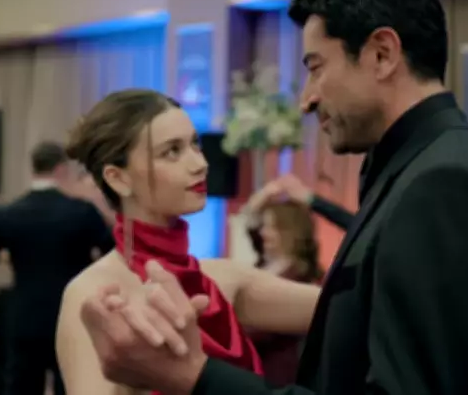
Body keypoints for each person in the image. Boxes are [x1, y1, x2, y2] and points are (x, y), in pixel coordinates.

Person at [79, 0, 468, 395]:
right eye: (171, 151)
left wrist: (194, 377)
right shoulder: (422, 172)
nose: (307, 99)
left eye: (316, 68)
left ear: (382, 54)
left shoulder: (444, 185)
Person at [54, 89, 321, 395]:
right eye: (172, 151)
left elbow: (350, 307)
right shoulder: (93, 294)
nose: (200, 163)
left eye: (195, 144)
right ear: (118, 178)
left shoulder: (224, 278)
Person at [0, 141, 114, 395]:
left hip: (25, 319)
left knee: (22, 388)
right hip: (70, 317)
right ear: (61, 169)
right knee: (69, 386)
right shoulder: (82, 212)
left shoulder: (7, 214)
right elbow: (112, 254)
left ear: (33, 169)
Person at [243, 178, 326, 384]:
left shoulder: (299, 277)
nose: (264, 232)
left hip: (277, 377)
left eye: (271, 227)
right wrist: (263, 196)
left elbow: (260, 329)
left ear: (287, 231)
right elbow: (250, 224)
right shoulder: (265, 264)